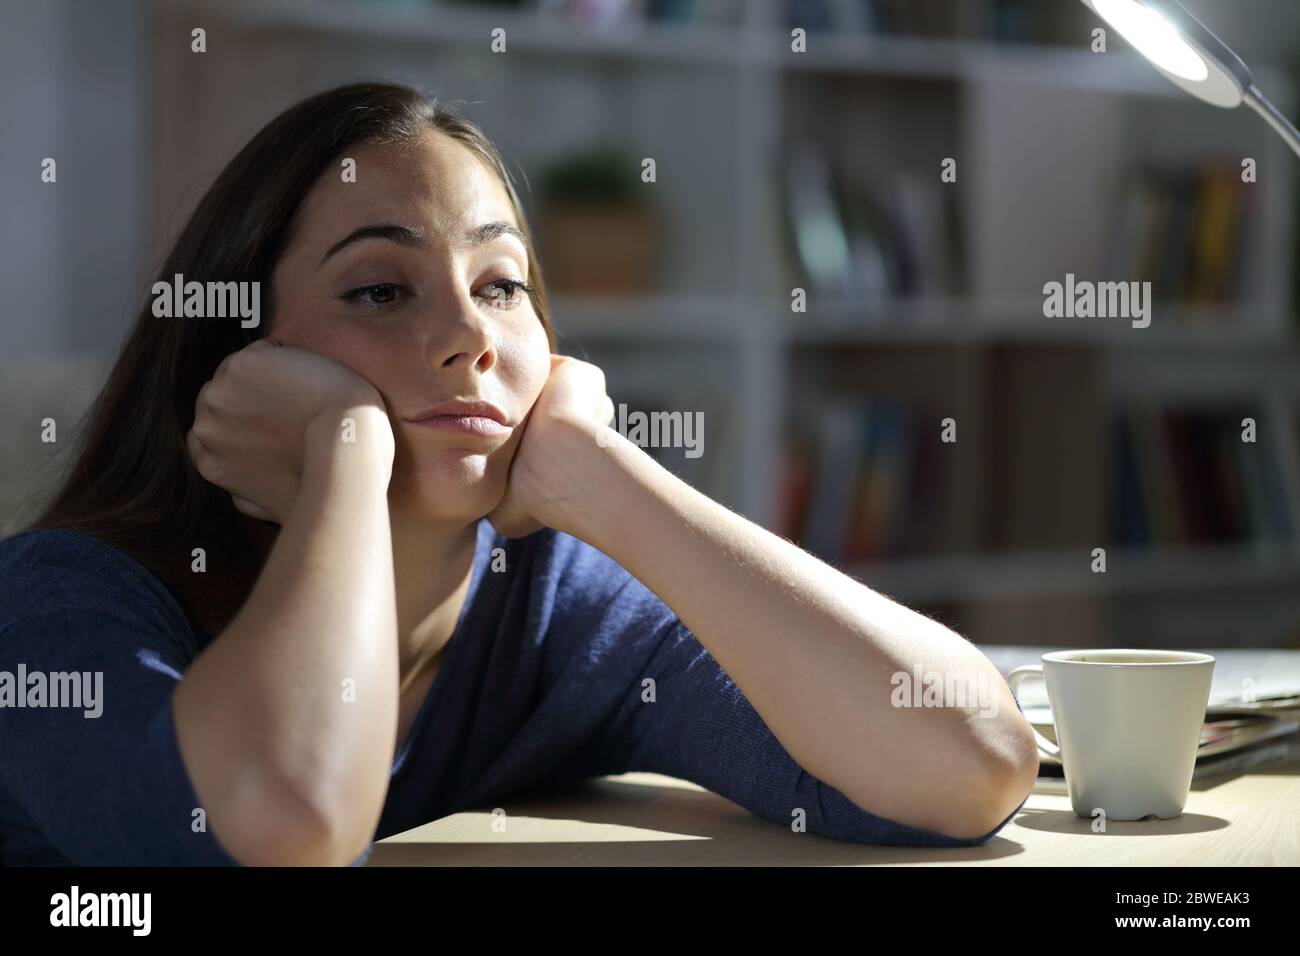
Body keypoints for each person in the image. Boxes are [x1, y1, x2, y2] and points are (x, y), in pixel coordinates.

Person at [0, 82, 1037, 866]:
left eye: (501, 285)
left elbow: (971, 759)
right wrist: (347, 451)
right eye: (376, 291)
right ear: (236, 357)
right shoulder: (61, 605)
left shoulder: (552, 611)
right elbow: (290, 818)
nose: (467, 337)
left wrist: (601, 475)